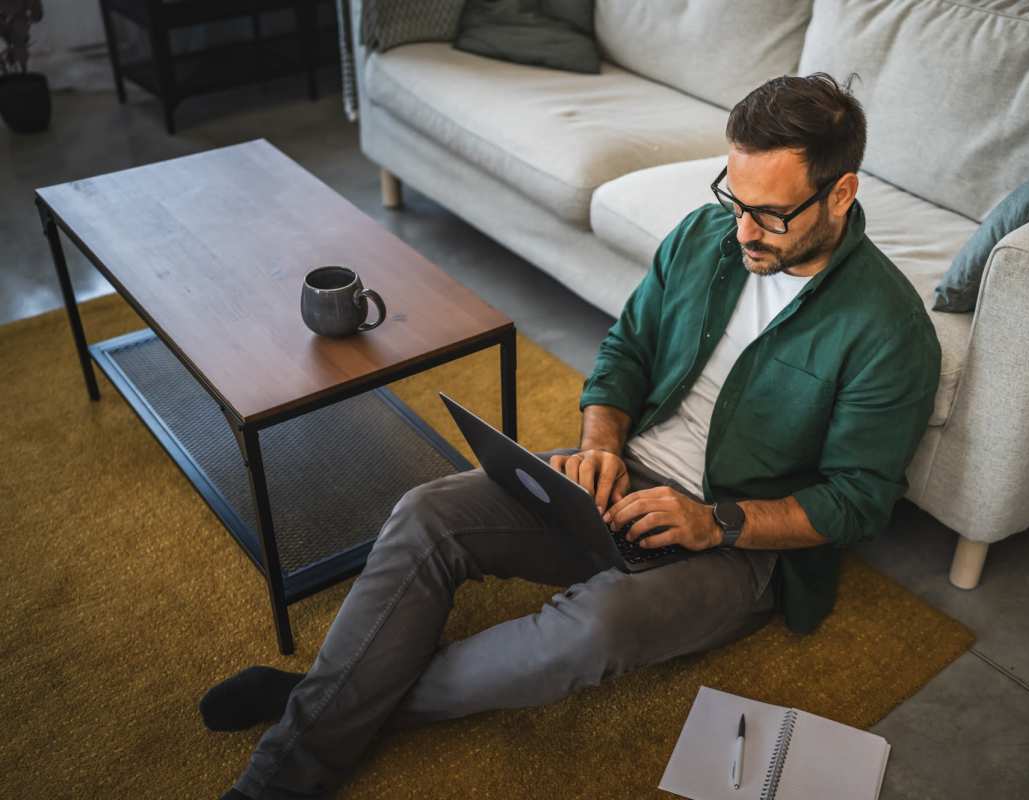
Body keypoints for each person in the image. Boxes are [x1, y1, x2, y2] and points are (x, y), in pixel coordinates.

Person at [205, 72, 941, 800]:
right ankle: (335, 703)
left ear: (841, 192)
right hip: (621, 478)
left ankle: (316, 714)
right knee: (426, 514)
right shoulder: (705, 235)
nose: (743, 229)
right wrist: (600, 446)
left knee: (591, 630)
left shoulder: (889, 329)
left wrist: (711, 521)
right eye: (734, 199)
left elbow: (858, 502)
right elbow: (627, 351)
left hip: (737, 547)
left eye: (770, 214)